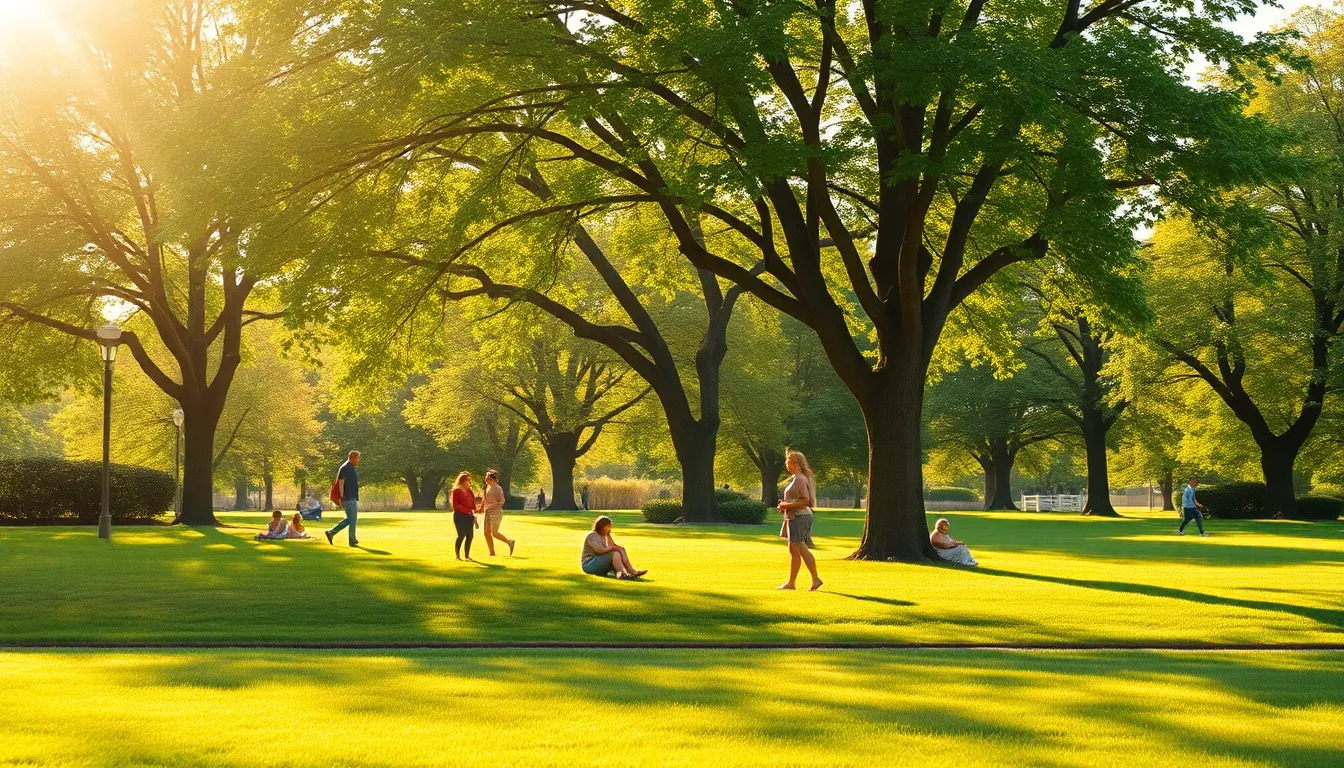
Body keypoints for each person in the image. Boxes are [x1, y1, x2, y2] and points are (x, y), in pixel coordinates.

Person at [776, 449, 823, 591]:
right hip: (793, 516)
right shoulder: (796, 478)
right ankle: (791, 583)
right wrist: (784, 506)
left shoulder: (800, 479)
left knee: (800, 547)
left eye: (788, 462)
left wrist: (787, 505)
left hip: (800, 516)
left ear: (795, 463)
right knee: (793, 550)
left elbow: (806, 500)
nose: (787, 465)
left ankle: (815, 579)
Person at [580, 515, 646, 579]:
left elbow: (611, 546)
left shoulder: (605, 535)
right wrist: (614, 548)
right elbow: (599, 551)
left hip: (599, 563)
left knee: (619, 550)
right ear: (603, 526)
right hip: (589, 564)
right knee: (614, 552)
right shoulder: (592, 535)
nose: (610, 528)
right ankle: (627, 572)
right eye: (608, 526)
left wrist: (609, 537)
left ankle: (625, 573)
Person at [325, 450, 360, 547]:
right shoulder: (345, 467)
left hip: (352, 497)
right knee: (352, 520)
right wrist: (341, 497)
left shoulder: (351, 467)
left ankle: (331, 532)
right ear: (352, 458)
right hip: (348, 498)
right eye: (357, 458)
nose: (358, 460)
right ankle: (352, 540)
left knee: (351, 519)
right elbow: (341, 483)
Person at [481, 469, 515, 556]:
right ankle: (492, 552)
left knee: (495, 533)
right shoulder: (486, 488)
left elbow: (502, 501)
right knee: (486, 533)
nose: (486, 480)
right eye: (486, 478)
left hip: (496, 513)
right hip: (487, 513)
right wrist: (481, 506)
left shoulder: (498, 488)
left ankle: (509, 542)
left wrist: (491, 505)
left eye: (488, 478)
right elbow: (485, 500)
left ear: (492, 479)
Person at [451, 472, 479, 561]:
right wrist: (467, 510)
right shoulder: (457, 491)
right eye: (467, 480)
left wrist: (474, 512)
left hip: (469, 516)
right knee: (461, 535)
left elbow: (472, 504)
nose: (469, 482)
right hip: (460, 516)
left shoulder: (469, 491)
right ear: (463, 481)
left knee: (470, 536)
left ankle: (467, 556)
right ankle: (457, 556)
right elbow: (456, 505)